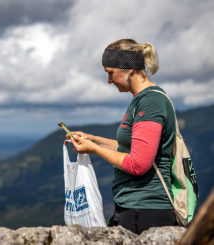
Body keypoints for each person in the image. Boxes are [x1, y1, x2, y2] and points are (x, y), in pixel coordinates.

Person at [65, 38, 177, 234]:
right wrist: (93, 139)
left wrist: (94, 149)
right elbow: (129, 148)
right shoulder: (141, 100)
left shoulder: (151, 102)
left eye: (110, 73)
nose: (109, 81)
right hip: (132, 207)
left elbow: (138, 164)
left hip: (146, 211)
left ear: (129, 69)